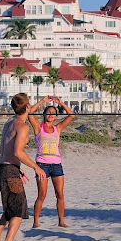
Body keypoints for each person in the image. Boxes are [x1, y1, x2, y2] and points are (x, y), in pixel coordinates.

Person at [0, 93, 46, 241]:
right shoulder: (23, 126)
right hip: (8, 171)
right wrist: (36, 167)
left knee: (10, 207)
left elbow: (2, 149)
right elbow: (18, 152)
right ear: (27, 107)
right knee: (19, 209)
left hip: (2, 168)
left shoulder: (9, 123)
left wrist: (17, 169)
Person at [29, 95, 76, 228]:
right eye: (49, 113)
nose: (51, 115)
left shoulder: (58, 128)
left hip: (56, 164)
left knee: (60, 194)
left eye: (53, 113)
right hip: (42, 164)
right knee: (42, 195)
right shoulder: (39, 128)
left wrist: (61, 102)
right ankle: (36, 222)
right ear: (44, 115)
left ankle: (61, 221)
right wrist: (43, 101)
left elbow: (71, 115)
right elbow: (30, 113)